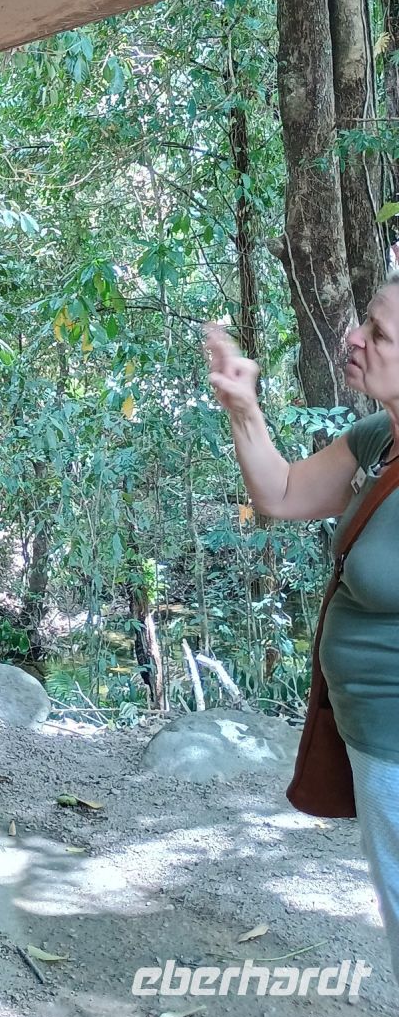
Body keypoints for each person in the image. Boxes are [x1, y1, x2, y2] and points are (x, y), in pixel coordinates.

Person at [206, 284, 399, 976]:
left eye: (376, 333)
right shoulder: (381, 439)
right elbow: (282, 493)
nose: (353, 338)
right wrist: (243, 408)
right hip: (374, 740)